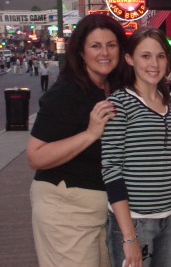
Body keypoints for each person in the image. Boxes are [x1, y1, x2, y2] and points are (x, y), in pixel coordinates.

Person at [26, 14, 128, 267]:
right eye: (95, 46)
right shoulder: (66, 93)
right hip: (66, 207)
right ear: (81, 53)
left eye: (111, 45)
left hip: (102, 210)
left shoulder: (113, 89)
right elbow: (35, 156)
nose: (104, 52)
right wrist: (90, 133)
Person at [101, 27, 171, 267]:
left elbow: (168, 155)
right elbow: (111, 169)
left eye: (160, 56)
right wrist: (128, 236)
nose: (153, 63)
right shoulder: (118, 104)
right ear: (129, 59)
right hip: (135, 221)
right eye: (145, 56)